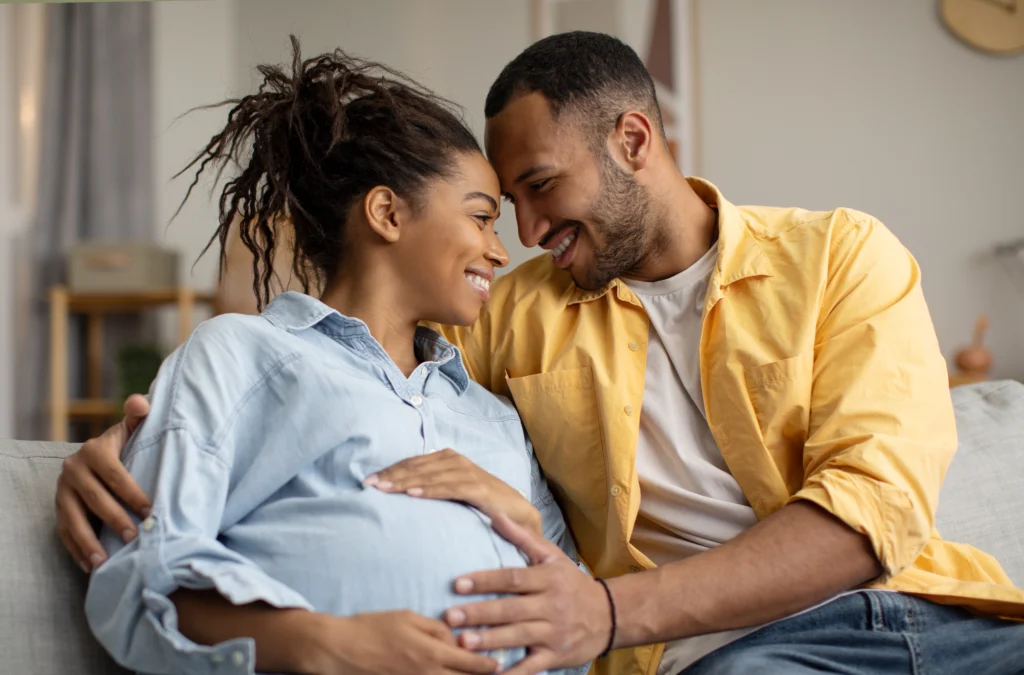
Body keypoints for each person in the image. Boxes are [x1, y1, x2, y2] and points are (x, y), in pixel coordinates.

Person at [58, 31, 1024, 675]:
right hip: (729, 658)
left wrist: (604, 612)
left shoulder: (843, 255)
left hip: (919, 617)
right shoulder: (512, 319)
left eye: (535, 187)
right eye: (496, 207)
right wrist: (125, 444)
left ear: (633, 139)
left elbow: (871, 514)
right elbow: (355, 384)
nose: (520, 232)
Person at [77, 38, 589, 675]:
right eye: (482, 219)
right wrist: (330, 644)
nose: (501, 250)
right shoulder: (242, 353)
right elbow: (146, 573)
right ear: (386, 213)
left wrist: (526, 528)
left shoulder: (492, 416)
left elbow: (582, 625)